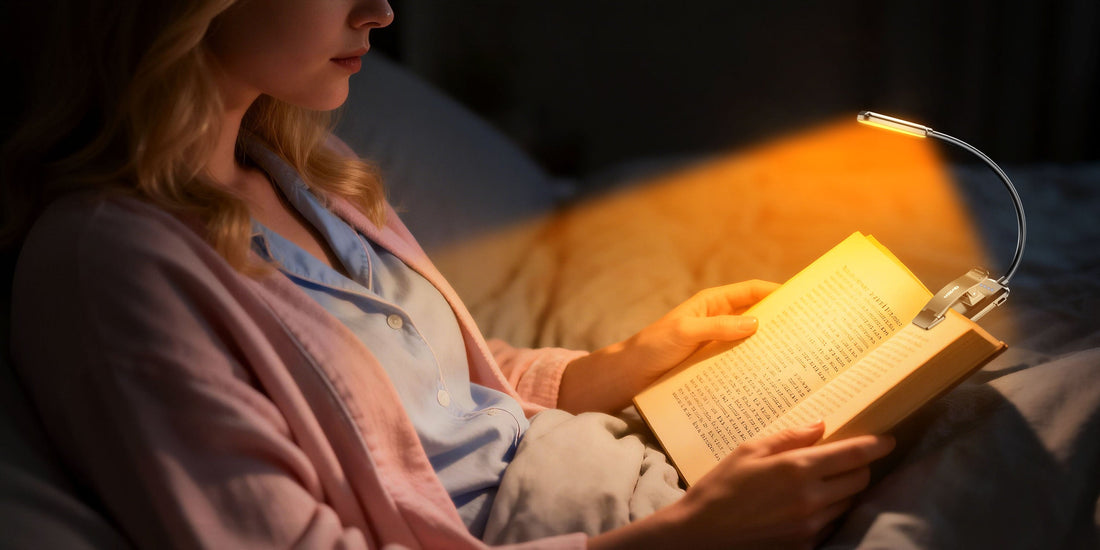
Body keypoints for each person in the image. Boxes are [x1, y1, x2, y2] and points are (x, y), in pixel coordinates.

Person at [2, 0, 893, 548]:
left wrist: (613, 366)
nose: (381, 12)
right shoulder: (109, 266)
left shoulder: (298, 170)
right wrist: (683, 544)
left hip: (611, 471)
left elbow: (423, 405)